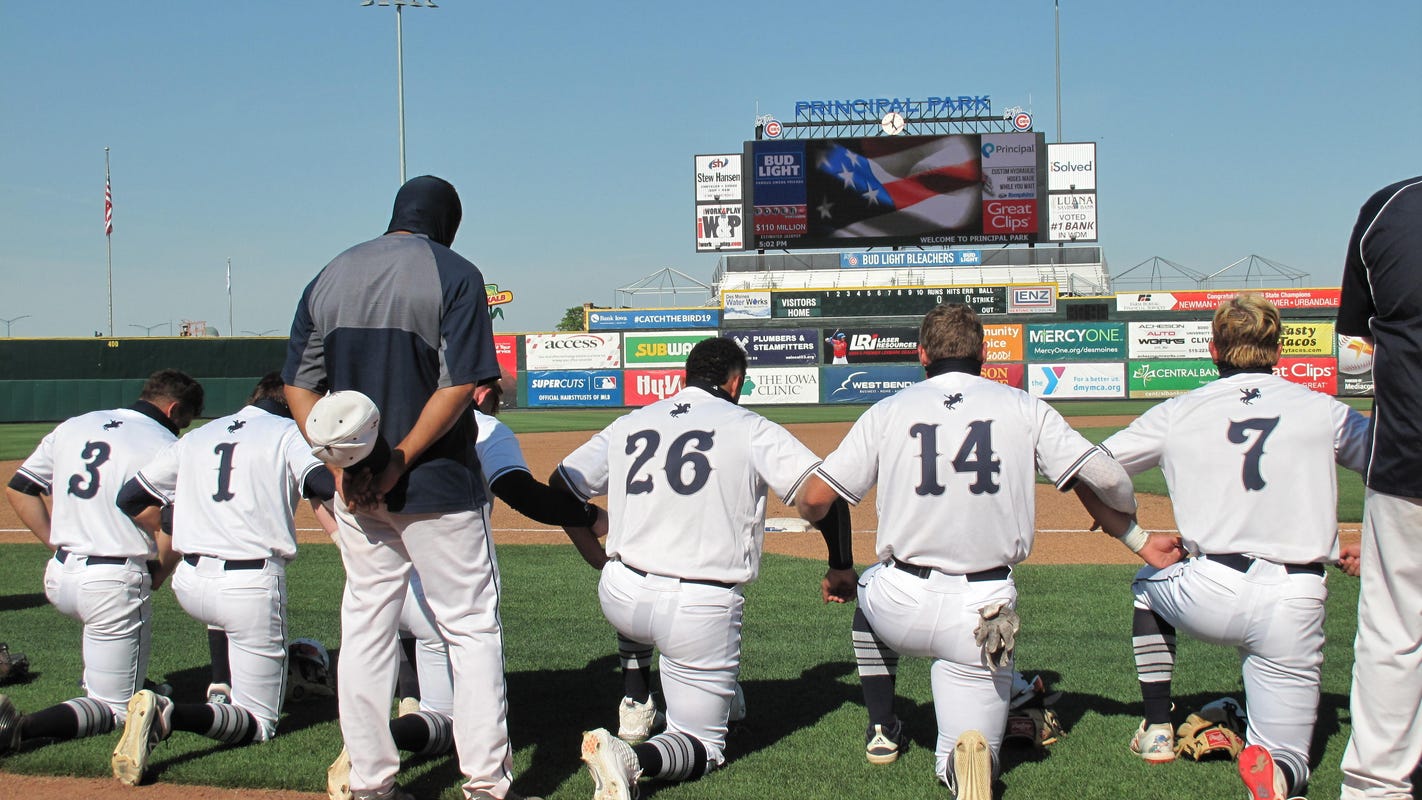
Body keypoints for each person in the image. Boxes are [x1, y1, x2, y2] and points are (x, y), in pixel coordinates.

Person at [795, 303, 1166, 800]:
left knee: (865, 590)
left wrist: (838, 566)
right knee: (971, 747)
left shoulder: (889, 409)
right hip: (985, 606)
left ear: (922, 353)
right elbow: (1105, 476)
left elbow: (818, 498)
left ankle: (883, 728)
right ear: (984, 353)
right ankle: (961, 762)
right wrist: (1132, 529)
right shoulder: (1023, 406)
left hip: (902, 596)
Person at [282, 175, 528, 800]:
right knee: (471, 629)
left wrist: (340, 462)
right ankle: (484, 784)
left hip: (358, 493)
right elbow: (460, 386)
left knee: (366, 626)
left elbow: (298, 389)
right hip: (437, 484)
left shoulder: (331, 272)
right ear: (447, 221)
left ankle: (369, 781)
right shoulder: (455, 271)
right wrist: (400, 460)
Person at [1085, 293, 1369, 798]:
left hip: (1210, 588)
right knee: (1286, 756)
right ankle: (1280, 772)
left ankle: (1156, 730)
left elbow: (1086, 467)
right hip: (1298, 595)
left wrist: (1134, 535)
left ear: (1213, 348)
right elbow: (1402, 466)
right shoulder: (1322, 410)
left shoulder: (1179, 411)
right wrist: (1377, 544)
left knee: (1148, 587)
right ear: (1278, 349)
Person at [552, 336, 853, 800]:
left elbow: (560, 485)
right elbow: (820, 496)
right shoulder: (749, 426)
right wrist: (840, 566)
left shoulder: (633, 421)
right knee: (704, 744)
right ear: (735, 382)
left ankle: (636, 699)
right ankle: (632, 757)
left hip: (620, 592)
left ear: (682, 380)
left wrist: (591, 547)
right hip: (696, 607)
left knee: (646, 565)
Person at [326, 376, 607, 800]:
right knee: (453, 704)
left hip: (383, 585)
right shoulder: (485, 427)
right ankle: (483, 784)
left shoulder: (384, 426)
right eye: (494, 388)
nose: (497, 397)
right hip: (438, 594)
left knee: (369, 645)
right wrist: (591, 516)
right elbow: (522, 493)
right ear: (476, 392)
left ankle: (369, 748)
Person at [108, 372, 337, 785]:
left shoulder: (199, 435)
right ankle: (167, 714)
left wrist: (178, 523)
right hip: (248, 584)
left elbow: (130, 497)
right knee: (259, 722)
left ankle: (220, 684)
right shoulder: (289, 433)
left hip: (192, 582)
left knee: (226, 621)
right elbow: (322, 484)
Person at [0, 370, 204, 756]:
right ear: (175, 409)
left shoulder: (75, 425)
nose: (181, 429)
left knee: (118, 663)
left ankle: (128, 678)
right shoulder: (166, 444)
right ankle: (19, 729)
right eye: (184, 421)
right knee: (116, 710)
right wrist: (158, 571)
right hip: (110, 582)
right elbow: (177, 521)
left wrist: (55, 543)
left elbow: (20, 489)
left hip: (61, 575)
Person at [1336, 175, 1422, 799]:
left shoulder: (1390, 208)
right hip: (1403, 466)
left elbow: (1357, 337)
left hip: (1408, 461)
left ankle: (1376, 789)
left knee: (1394, 633)